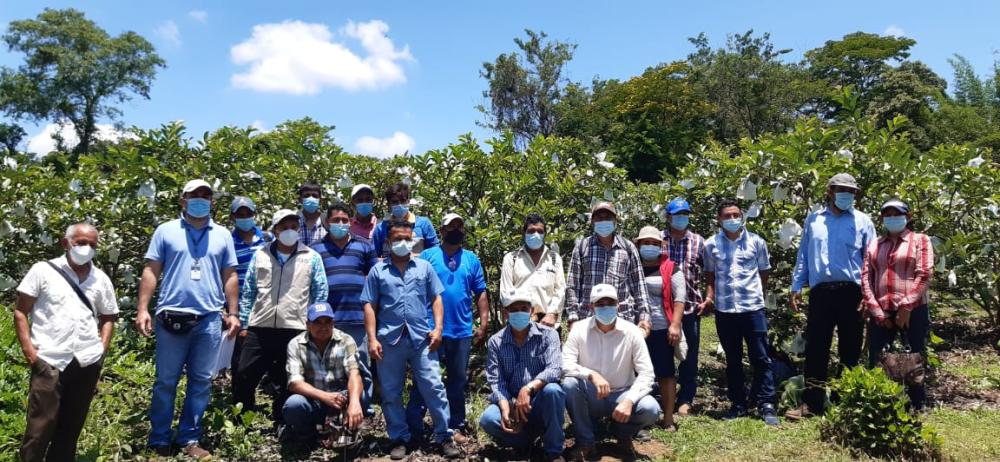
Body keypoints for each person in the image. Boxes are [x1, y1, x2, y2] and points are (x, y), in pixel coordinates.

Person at [135, 179, 241, 459]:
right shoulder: (165, 231)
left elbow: (229, 275)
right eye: (195, 195)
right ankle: (159, 438)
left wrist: (233, 313)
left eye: (206, 195)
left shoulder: (222, 235)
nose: (201, 199)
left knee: (202, 381)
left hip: (208, 317)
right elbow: (151, 270)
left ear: (213, 202)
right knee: (165, 381)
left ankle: (189, 439)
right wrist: (143, 309)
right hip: (171, 316)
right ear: (183, 200)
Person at [15, 223, 118, 462]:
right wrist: (30, 352)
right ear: (66, 243)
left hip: (86, 361)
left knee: (71, 428)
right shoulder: (43, 270)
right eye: (81, 242)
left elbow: (109, 318)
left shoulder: (100, 279)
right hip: (49, 358)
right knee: (40, 426)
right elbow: (21, 312)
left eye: (92, 245)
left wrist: (101, 350)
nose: (86, 248)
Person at [361, 221, 460, 459]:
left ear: (413, 239)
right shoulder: (378, 271)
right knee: (391, 393)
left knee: (434, 387)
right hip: (388, 341)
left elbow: (436, 298)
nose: (402, 243)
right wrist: (372, 339)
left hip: (421, 339)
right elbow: (369, 305)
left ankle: (444, 436)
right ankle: (399, 437)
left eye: (407, 238)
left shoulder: (424, 267)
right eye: (397, 238)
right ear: (387, 242)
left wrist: (437, 329)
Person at [787, 173, 876, 420]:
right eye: (841, 189)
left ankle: (845, 400)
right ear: (830, 190)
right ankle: (812, 403)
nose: (846, 194)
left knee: (850, 347)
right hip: (821, 293)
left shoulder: (863, 221)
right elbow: (804, 255)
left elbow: (871, 260)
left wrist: (869, 295)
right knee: (816, 348)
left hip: (852, 292)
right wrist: (796, 286)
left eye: (851, 191)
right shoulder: (814, 220)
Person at [234, 209, 328, 421]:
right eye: (284, 228)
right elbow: (249, 291)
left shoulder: (311, 257)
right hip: (260, 326)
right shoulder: (261, 254)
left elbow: (320, 293)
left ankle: (282, 420)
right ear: (275, 230)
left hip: (294, 327)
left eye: (294, 227)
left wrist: (314, 325)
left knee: (287, 377)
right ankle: (242, 420)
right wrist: (244, 324)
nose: (289, 231)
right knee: (244, 373)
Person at [407, 213, 489, 443]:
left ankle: (455, 426)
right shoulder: (427, 256)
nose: (455, 230)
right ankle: (414, 427)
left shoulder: (471, 259)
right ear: (441, 231)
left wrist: (483, 323)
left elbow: (480, 291)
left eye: (459, 226)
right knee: (424, 379)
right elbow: (415, 289)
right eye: (450, 227)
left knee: (457, 380)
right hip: (431, 330)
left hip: (462, 330)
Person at [562, 284, 660, 461]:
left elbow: (647, 373)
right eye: (600, 303)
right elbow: (565, 364)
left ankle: (622, 434)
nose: (606, 307)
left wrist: (629, 400)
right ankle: (586, 441)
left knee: (651, 408)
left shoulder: (632, 332)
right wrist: (591, 375)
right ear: (591, 307)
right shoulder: (579, 329)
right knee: (569, 384)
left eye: (610, 302)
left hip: (622, 395)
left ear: (618, 305)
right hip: (592, 394)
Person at [703, 201, 779, 425]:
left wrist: (756, 294)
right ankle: (738, 404)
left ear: (743, 216)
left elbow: (764, 272)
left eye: (736, 214)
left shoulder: (757, 241)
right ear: (719, 219)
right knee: (733, 359)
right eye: (727, 215)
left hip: (753, 308)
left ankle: (766, 403)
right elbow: (710, 274)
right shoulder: (711, 245)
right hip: (725, 310)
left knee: (761, 357)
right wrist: (710, 297)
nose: (733, 218)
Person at [862, 199, 933, 410]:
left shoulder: (920, 240)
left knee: (914, 355)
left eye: (897, 214)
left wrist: (906, 306)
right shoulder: (875, 243)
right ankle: (883, 401)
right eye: (887, 215)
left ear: (908, 217)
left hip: (913, 310)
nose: (892, 218)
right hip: (882, 311)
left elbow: (925, 273)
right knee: (878, 356)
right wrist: (876, 311)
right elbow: (866, 277)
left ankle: (917, 402)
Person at [479, 288, 565, 462]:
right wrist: (504, 408)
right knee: (488, 419)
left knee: (554, 391)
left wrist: (528, 389)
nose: (519, 312)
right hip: (512, 404)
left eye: (524, 308)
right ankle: (525, 441)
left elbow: (555, 369)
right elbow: (496, 381)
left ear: (531, 311)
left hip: (539, 401)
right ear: (506, 313)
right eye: (514, 309)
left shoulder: (549, 335)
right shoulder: (496, 341)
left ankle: (554, 451)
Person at [311, 202, 379, 416]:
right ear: (326, 222)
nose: (340, 223)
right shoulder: (316, 249)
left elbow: (374, 279)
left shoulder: (364, 246)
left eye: (344, 220)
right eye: (335, 220)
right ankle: (333, 409)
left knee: (361, 365)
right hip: (327, 319)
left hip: (358, 317)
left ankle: (363, 406)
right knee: (330, 366)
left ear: (350, 222)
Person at [282, 302, 364, 446]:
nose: (324, 327)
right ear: (307, 324)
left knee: (359, 396)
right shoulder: (295, 344)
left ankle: (345, 430)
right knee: (294, 405)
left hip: (340, 399)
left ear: (333, 323)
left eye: (328, 322)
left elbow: (354, 374)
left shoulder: (346, 340)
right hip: (313, 400)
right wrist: (325, 397)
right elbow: (294, 383)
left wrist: (354, 403)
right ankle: (309, 436)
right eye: (317, 322)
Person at [565, 201, 652, 334]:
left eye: (608, 218)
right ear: (593, 221)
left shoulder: (627, 248)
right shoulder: (582, 247)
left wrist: (644, 316)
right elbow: (573, 285)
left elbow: (639, 285)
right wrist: (573, 317)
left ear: (615, 221)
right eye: (599, 218)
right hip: (588, 320)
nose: (603, 221)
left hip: (622, 320)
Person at [635, 226, 686, 431]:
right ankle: (639, 416)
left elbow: (680, 298)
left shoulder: (670, 267)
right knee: (636, 373)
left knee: (665, 373)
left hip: (662, 328)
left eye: (654, 243)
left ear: (661, 246)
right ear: (638, 245)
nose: (650, 246)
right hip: (636, 328)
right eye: (646, 243)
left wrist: (675, 324)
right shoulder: (633, 265)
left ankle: (668, 418)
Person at [661, 198, 706, 416]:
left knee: (689, 355)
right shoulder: (658, 240)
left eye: (685, 214)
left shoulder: (698, 241)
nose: (682, 219)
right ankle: (663, 395)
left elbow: (709, 272)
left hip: (690, 307)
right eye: (677, 215)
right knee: (662, 353)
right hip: (661, 308)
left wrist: (710, 296)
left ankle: (686, 397)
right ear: (668, 217)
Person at [500, 213, 566, 329]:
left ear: (545, 234)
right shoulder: (511, 258)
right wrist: (523, 317)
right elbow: (506, 292)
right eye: (531, 231)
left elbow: (560, 290)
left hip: (548, 323)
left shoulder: (554, 259)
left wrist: (551, 314)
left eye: (540, 231)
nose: (536, 234)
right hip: (519, 324)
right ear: (524, 233)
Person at [228, 196, 271, 373]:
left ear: (255, 214)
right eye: (240, 214)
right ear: (232, 217)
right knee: (239, 357)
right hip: (237, 308)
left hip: (264, 306)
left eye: (249, 213)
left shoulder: (268, 239)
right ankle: (240, 399)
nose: (245, 217)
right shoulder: (227, 240)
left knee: (266, 354)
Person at [371, 182, 439, 258]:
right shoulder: (380, 228)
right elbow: (374, 257)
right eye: (395, 202)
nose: (399, 204)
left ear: (408, 201)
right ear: (389, 205)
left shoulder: (424, 224)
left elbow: (435, 252)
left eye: (403, 201)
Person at [297, 181, 327, 246]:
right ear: (300, 200)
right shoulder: (292, 222)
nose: (311, 198)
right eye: (306, 196)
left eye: (315, 196)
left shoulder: (327, 222)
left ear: (320, 200)